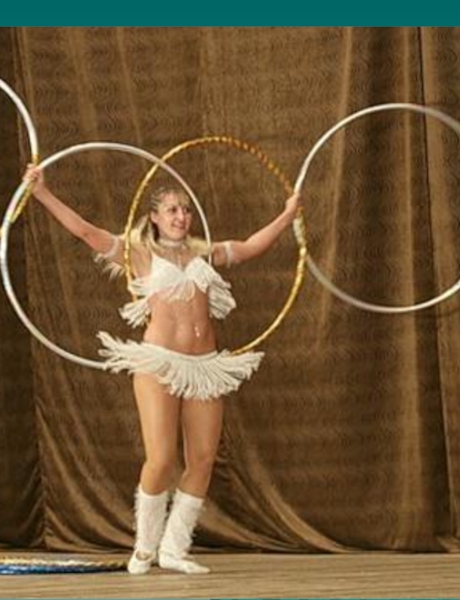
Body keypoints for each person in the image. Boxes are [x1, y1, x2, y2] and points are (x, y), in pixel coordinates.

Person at [24, 164, 299, 575]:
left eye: (185, 210)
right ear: (153, 216)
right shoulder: (138, 252)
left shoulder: (203, 251)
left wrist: (288, 215)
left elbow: (248, 248)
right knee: (162, 459)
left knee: (202, 458)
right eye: (172, 210)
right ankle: (145, 546)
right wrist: (42, 193)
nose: (181, 217)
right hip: (160, 362)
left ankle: (174, 549)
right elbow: (84, 231)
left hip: (204, 366)